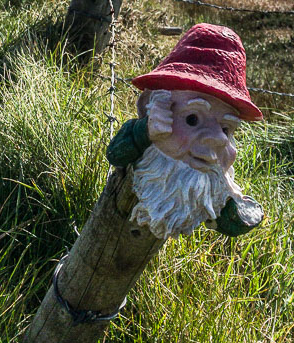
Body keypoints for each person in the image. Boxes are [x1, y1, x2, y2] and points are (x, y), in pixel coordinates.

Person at [106, 23, 264, 240]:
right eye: (192, 118)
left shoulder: (210, 180)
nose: (218, 138)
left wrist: (239, 210)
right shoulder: (146, 138)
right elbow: (116, 153)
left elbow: (230, 220)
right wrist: (144, 130)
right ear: (151, 105)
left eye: (226, 129)